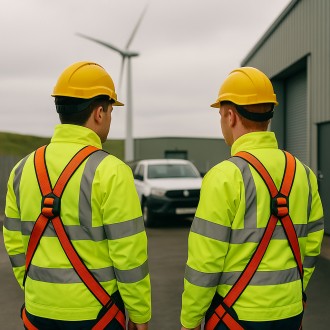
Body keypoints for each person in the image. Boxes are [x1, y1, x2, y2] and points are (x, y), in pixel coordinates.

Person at [3, 61, 151, 330]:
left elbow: (14, 241)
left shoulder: (21, 169)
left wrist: (35, 287)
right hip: (97, 315)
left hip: (37, 313)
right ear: (99, 113)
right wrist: (139, 315)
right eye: (110, 112)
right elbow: (129, 255)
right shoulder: (113, 171)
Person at [180, 67, 324, 330]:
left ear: (230, 115)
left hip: (234, 316)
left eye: (221, 115)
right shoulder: (303, 173)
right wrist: (292, 293)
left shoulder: (224, 176)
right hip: (290, 314)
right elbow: (312, 246)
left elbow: (205, 262)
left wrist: (189, 321)